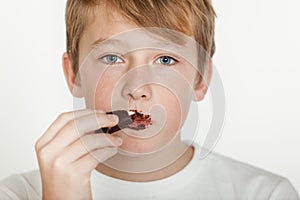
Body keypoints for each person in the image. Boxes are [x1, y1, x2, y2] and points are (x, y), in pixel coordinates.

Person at [0, 0, 299, 199]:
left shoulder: (265, 194)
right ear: (75, 74)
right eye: (112, 57)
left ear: (201, 79)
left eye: (166, 59)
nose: (137, 87)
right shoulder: (19, 193)